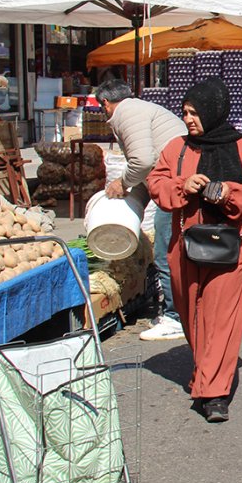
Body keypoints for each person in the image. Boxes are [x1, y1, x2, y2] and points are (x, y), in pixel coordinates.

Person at [147, 79, 242, 422]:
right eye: (186, 112)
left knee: (220, 318)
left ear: (214, 112)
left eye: (196, 113)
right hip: (185, 246)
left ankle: (214, 393)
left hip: (230, 246)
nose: (189, 119)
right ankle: (205, 373)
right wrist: (181, 185)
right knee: (192, 315)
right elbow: (156, 183)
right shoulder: (177, 149)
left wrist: (228, 192)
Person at [96, 80, 189, 342]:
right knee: (175, 251)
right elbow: (149, 167)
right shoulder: (139, 109)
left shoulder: (126, 114)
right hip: (176, 180)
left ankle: (174, 318)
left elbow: (143, 161)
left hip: (175, 184)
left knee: (164, 252)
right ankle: (183, 311)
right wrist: (133, 197)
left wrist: (121, 183)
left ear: (105, 103)